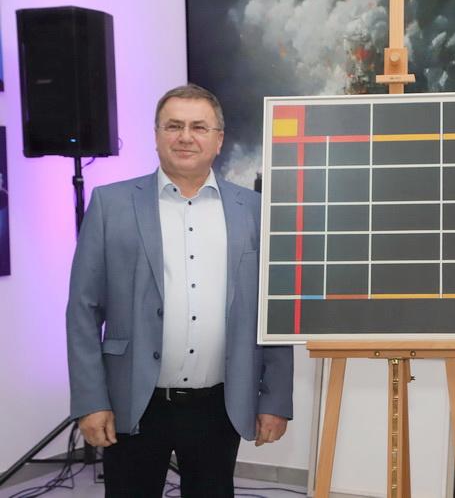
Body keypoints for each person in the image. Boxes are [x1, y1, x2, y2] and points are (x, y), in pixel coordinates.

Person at [66, 84, 293, 497]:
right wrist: (90, 400)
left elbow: (273, 310)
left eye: (199, 127)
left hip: (219, 405)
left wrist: (275, 399)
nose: (185, 137)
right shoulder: (110, 205)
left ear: (218, 140)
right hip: (132, 401)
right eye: (173, 126)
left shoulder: (255, 211)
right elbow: (83, 309)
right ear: (156, 136)